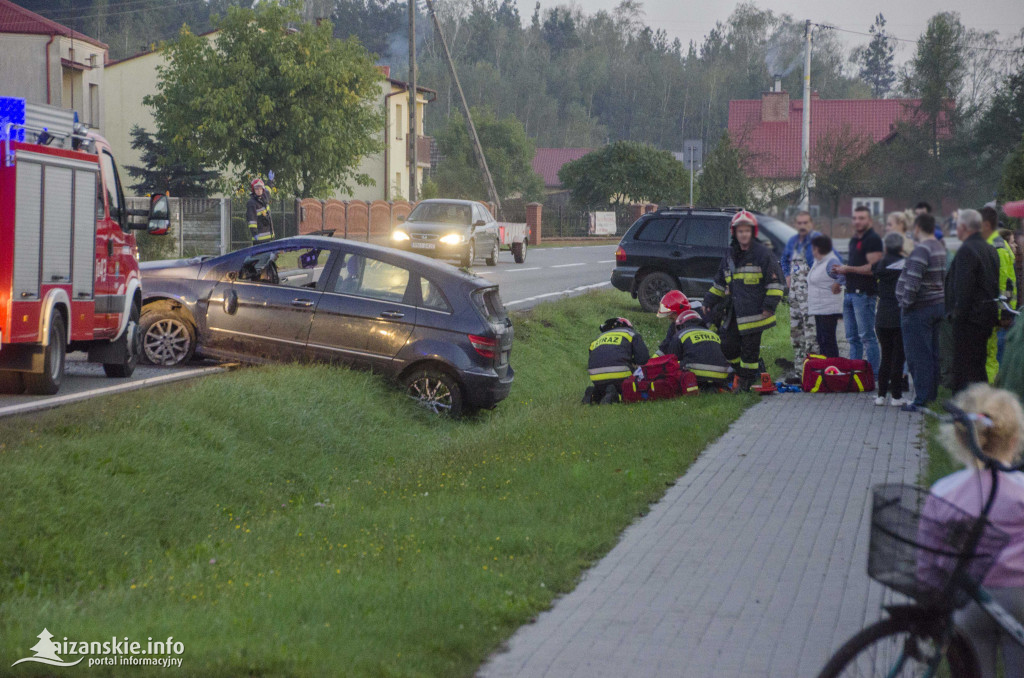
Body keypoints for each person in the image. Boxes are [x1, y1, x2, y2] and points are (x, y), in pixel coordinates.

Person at [929, 384, 1024, 678]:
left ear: (960, 438)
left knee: (973, 669)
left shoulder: (944, 491)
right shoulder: (1021, 489)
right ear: (1015, 439)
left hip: (968, 597)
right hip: (1019, 594)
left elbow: (929, 550)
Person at [703, 210, 785, 392]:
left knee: (749, 351)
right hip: (734, 312)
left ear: (753, 232)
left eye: (747, 231)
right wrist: (708, 301)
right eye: (740, 231)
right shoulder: (730, 255)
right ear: (735, 233)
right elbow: (719, 282)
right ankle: (742, 373)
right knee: (728, 346)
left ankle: (745, 384)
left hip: (756, 314)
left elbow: (776, 283)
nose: (743, 234)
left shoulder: (763, 254)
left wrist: (769, 306)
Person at [946, 209, 1001, 394]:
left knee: (963, 370)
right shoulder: (990, 249)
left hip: (970, 319)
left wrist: (957, 317)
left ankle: (963, 411)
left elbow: (963, 289)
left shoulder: (967, 250)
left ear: (963, 227)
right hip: (986, 316)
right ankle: (981, 409)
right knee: (978, 367)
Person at [834, 206, 884, 377]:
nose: (857, 221)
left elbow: (873, 269)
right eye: (854, 218)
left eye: (861, 218)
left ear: (869, 220)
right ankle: (854, 373)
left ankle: (874, 375)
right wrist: (841, 271)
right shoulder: (854, 239)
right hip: (849, 293)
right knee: (851, 338)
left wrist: (848, 268)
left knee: (867, 337)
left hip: (864, 294)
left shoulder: (873, 240)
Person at [781, 211, 822, 369]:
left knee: (811, 333)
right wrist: (787, 276)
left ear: (811, 224)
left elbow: (827, 264)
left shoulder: (817, 240)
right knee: (796, 332)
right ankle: (799, 370)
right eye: (800, 223)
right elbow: (784, 259)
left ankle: (813, 369)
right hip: (795, 296)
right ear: (795, 225)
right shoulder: (792, 241)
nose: (802, 226)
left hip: (811, 295)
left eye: (806, 223)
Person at [981, 207, 1017, 379]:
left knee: (990, 357)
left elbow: (1004, 283)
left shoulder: (997, 247)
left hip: (993, 311)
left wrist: (1003, 311)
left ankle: (989, 397)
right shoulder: (996, 245)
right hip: (995, 309)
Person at [665, 296, 730, 390]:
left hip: (696, 377)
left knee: (674, 365)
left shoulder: (680, 335)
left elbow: (672, 359)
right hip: (721, 376)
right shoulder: (713, 334)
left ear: (681, 325)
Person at [583, 317, 650, 404]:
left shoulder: (598, 338)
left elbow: (596, 358)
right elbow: (643, 359)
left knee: (604, 386)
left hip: (596, 377)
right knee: (636, 376)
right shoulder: (631, 334)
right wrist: (632, 361)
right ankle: (614, 395)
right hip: (620, 377)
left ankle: (594, 393)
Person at [873, 232, 907, 406]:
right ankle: (896, 396)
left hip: (882, 316)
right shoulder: (905, 265)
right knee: (898, 358)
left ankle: (880, 395)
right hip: (899, 315)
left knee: (885, 356)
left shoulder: (880, 265)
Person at [806, 235, 845, 359]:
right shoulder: (818, 262)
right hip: (819, 308)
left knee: (828, 341)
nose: (812, 251)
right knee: (822, 340)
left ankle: (833, 368)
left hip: (828, 309)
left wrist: (837, 283)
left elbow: (843, 274)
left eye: (813, 248)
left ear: (818, 248)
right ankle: (826, 369)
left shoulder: (831, 262)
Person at [654, 290, 690, 356]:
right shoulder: (674, 325)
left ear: (680, 311)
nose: (669, 317)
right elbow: (666, 345)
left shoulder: (696, 324)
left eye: (671, 315)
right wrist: (652, 361)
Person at [246, 178, 274, 244]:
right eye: (257, 189)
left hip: (268, 236)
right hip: (259, 238)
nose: (259, 190)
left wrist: (270, 180)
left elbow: (268, 190)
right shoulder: (251, 203)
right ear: (253, 190)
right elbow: (252, 220)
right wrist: (254, 233)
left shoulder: (264, 197)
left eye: (260, 188)